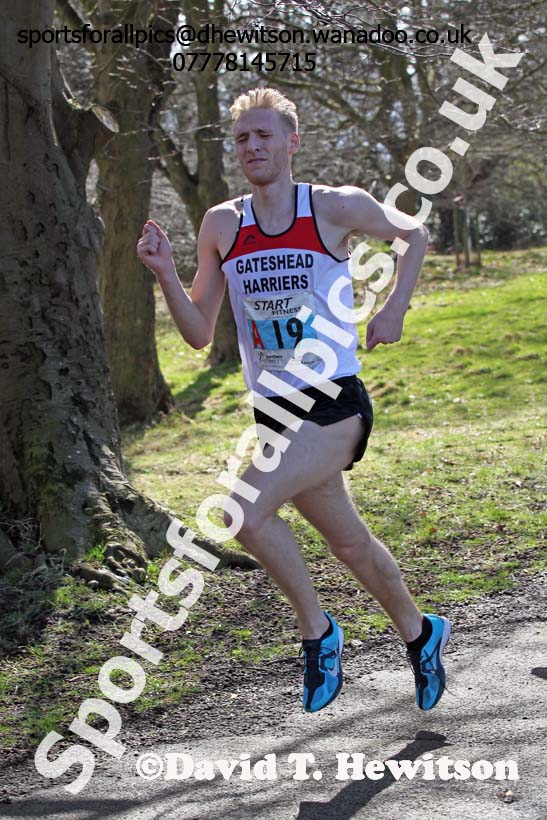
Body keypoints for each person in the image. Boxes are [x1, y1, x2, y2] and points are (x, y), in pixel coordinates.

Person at [136, 87, 451, 714]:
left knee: (242, 514)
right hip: (274, 416)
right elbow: (199, 334)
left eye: (264, 135)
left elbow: (413, 236)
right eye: (243, 138)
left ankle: (318, 632)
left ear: (291, 141)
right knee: (352, 545)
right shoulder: (224, 225)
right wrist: (166, 274)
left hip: (334, 403)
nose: (253, 147)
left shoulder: (333, 208)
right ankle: (421, 634)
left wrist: (394, 309)